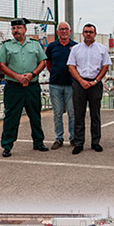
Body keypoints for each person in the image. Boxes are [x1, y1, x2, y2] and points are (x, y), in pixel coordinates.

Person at [0, 19, 48, 157]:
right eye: (13, 28)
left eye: (19, 28)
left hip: (32, 86)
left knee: (35, 115)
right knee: (11, 116)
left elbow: (42, 62)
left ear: (25, 29)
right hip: (13, 87)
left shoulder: (35, 44)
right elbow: (1, 65)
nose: (16, 31)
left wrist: (32, 74)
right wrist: (17, 76)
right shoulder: (6, 46)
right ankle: (7, 145)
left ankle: (38, 142)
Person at [68, 23, 111, 154]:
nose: (88, 34)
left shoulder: (102, 49)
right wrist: (81, 81)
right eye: (86, 31)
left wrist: (96, 80)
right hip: (79, 84)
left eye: (91, 32)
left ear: (95, 34)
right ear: (82, 33)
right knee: (78, 114)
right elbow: (71, 66)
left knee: (95, 115)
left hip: (95, 84)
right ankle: (79, 143)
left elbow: (105, 66)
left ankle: (95, 142)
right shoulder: (75, 49)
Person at [45, 21, 76, 149]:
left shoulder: (75, 46)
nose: (63, 31)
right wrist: (54, 72)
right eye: (61, 29)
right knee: (57, 113)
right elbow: (48, 63)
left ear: (69, 31)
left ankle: (73, 138)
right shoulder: (52, 46)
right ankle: (59, 138)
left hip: (71, 84)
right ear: (57, 32)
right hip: (55, 85)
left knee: (72, 113)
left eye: (66, 29)